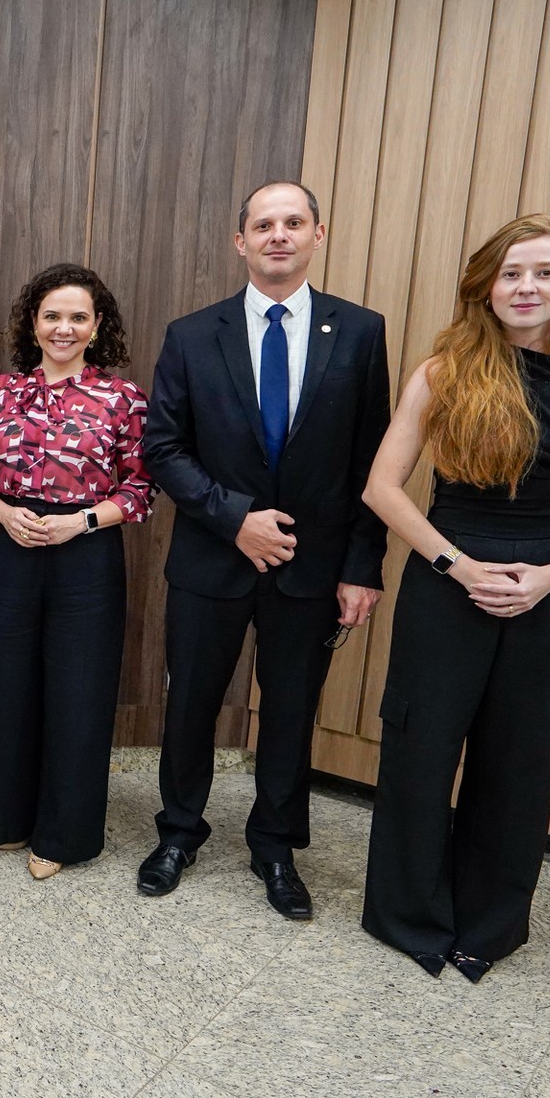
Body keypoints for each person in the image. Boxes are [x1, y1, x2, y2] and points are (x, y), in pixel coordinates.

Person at [360, 215, 550, 982]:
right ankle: (407, 916)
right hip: (447, 577)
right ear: (486, 287)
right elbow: (382, 488)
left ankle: (489, 926)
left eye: (544, 273)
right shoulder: (445, 370)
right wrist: (459, 566)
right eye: (510, 274)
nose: (526, 287)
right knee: (420, 747)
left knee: (519, 755)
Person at [139, 180, 391, 919]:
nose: (278, 235)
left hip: (313, 568)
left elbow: (371, 460)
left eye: (293, 222)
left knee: (289, 711)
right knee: (190, 705)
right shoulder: (192, 334)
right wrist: (235, 517)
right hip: (213, 557)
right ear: (240, 241)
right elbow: (164, 447)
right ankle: (178, 832)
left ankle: (275, 847)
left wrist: (361, 566)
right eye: (262, 224)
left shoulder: (361, 331)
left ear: (319, 234)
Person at [0, 263, 153, 880]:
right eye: (52, 316)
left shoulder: (122, 399)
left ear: (97, 328)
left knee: (79, 693)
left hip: (86, 552)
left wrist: (83, 522)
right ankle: (12, 820)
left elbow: (143, 490)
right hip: (12, 545)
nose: (63, 327)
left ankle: (65, 837)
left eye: (77, 317)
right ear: (33, 323)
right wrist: (2, 513)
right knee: (9, 685)